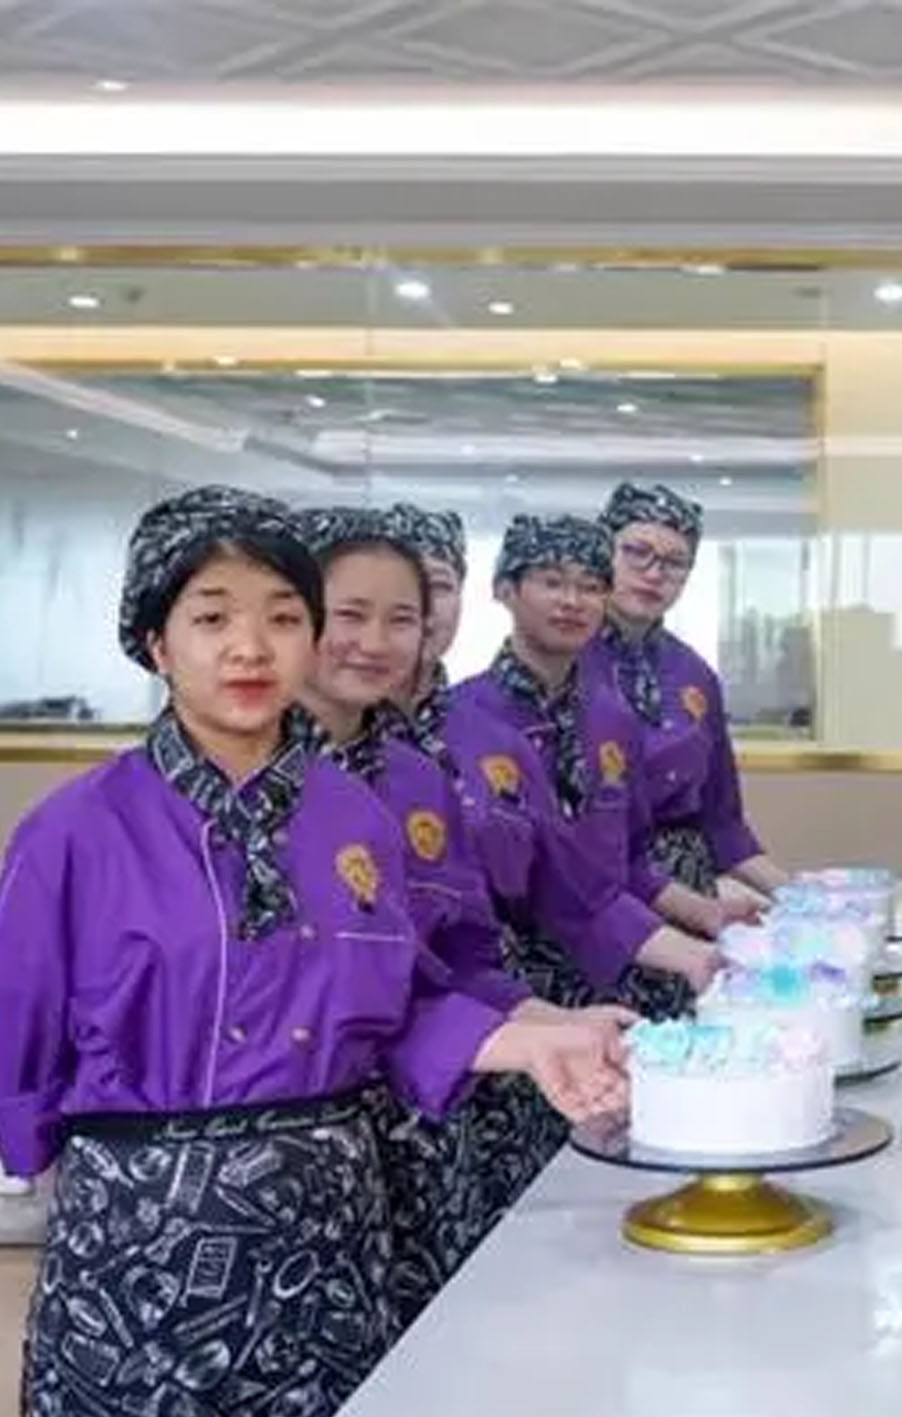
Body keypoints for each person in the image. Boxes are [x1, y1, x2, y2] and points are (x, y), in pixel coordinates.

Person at [0, 487, 623, 1417]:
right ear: (156, 642)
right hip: (137, 1243)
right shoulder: (75, 831)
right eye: (213, 617)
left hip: (328, 1228)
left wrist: (534, 1042)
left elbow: (402, 1008)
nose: (251, 647)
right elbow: (19, 1046)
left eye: (283, 617)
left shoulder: (358, 818)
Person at [295, 506, 628, 1327]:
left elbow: (465, 955)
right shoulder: (231, 793)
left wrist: (557, 1024)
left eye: (403, 616)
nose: (376, 641)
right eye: (349, 615)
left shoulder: (416, 776)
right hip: (288, 1150)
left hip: (430, 1120)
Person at [387, 503, 736, 1207]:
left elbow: (581, 889)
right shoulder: (321, 765)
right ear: (508, 589)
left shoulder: (489, 743)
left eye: (436, 588)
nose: (418, 614)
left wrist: (699, 948)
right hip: (389, 1051)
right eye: (552, 580)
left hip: (519, 1009)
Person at [458, 513, 720, 1020]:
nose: (572, 602)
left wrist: (703, 921)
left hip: (621, 967)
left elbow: (630, 861)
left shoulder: (611, 719)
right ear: (504, 590)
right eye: (551, 582)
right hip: (506, 989)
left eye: (591, 586)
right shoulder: (463, 718)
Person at [587, 481, 789, 899]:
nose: (655, 573)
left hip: (694, 895)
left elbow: (723, 823)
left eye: (675, 562)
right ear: (603, 552)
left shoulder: (693, 675)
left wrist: (800, 895)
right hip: (595, 892)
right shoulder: (563, 662)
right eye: (637, 552)